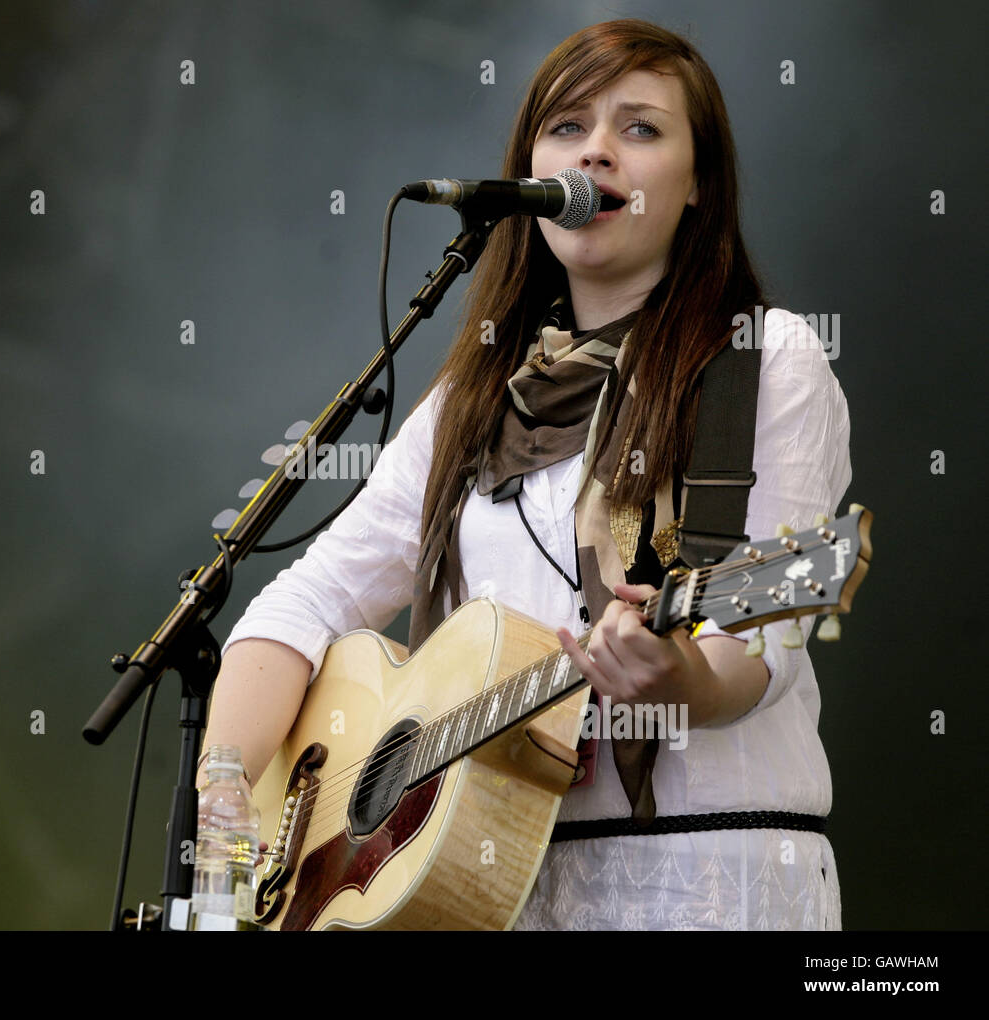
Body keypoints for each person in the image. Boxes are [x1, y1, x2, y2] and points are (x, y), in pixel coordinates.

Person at [197, 18, 851, 930]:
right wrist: (227, 791)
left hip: (702, 877)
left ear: (699, 183)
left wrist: (676, 678)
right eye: (568, 127)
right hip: (475, 889)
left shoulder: (758, 356)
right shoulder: (476, 394)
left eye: (641, 128)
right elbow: (301, 604)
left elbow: (765, 650)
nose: (596, 152)